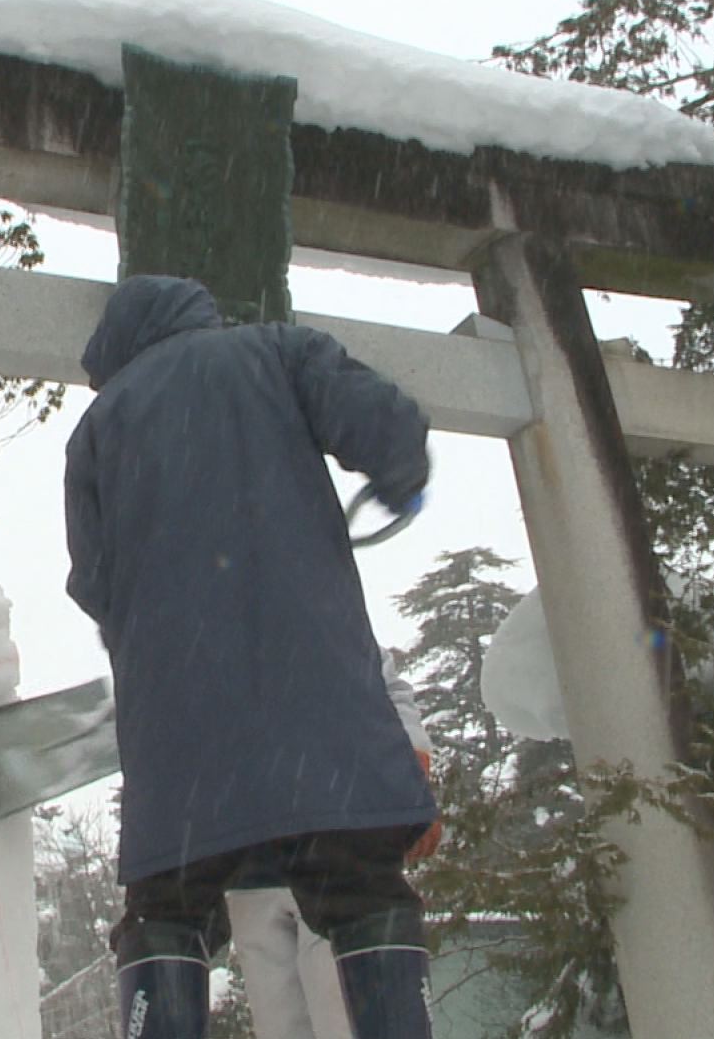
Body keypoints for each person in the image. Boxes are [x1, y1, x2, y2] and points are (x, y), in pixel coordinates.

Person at [63, 275, 438, 1039]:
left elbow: (93, 584)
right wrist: (402, 482)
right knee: (366, 892)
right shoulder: (279, 351)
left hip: (181, 747)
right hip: (322, 719)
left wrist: (168, 639)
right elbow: (388, 428)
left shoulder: (98, 429)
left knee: (165, 912)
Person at [227, 649, 442, 1039]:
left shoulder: (315, 606)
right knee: (281, 1026)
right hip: (250, 862)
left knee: (344, 1017)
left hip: (334, 845)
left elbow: (386, 686)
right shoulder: (203, 625)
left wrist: (412, 780)